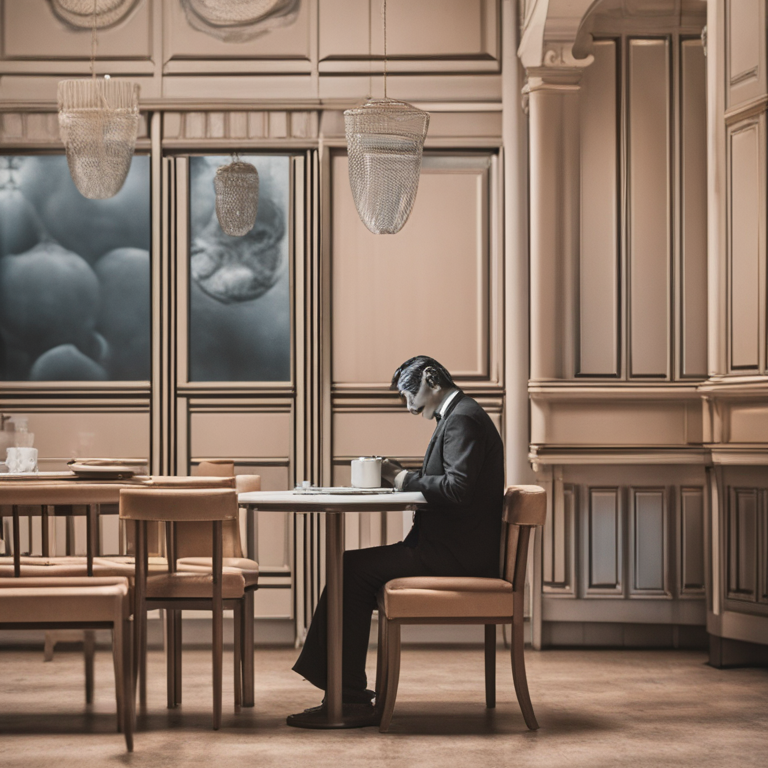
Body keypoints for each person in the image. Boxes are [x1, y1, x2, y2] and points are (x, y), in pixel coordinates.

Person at [288, 355, 504, 727]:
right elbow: (455, 483)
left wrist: (401, 477)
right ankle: (345, 692)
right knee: (349, 567)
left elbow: (457, 490)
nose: (408, 406)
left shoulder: (463, 419)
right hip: (456, 548)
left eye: (409, 395)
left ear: (431, 379)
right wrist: (401, 475)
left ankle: (348, 697)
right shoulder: (460, 415)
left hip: (456, 556)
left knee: (350, 570)